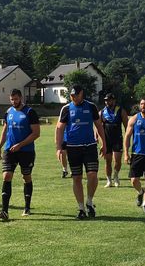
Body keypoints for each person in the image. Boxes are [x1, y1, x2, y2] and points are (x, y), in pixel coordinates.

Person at [55, 85, 106, 220]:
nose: (74, 97)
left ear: (82, 93)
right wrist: (59, 148)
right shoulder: (66, 109)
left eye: (76, 95)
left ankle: (89, 201)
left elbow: (99, 125)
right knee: (76, 178)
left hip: (89, 146)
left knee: (92, 175)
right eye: (72, 95)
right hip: (73, 147)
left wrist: (103, 143)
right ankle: (81, 208)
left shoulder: (91, 107)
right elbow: (59, 128)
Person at [0, 89, 41, 221]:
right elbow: (5, 130)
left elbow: (36, 133)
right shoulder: (8, 112)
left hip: (26, 151)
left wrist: (20, 144)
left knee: (26, 177)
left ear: (21, 98)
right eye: (12, 99)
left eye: (16, 99)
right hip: (10, 150)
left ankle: (27, 207)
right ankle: (5, 211)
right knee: (7, 176)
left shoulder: (30, 112)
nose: (14, 102)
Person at [99, 93, 128, 188]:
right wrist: (100, 140)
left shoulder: (121, 111)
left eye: (109, 100)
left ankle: (115, 176)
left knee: (117, 161)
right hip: (106, 140)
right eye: (106, 100)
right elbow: (98, 127)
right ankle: (108, 180)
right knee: (108, 161)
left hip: (117, 139)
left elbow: (127, 126)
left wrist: (128, 139)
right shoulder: (102, 112)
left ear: (114, 101)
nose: (107, 102)